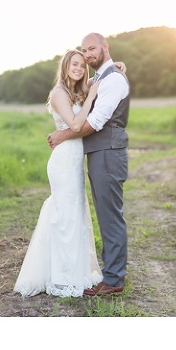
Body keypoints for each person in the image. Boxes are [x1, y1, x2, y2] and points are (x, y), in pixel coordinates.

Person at [46, 33, 130, 297]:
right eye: (84, 51)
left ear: (105, 47)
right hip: (93, 154)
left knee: (110, 216)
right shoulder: (101, 77)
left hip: (107, 152)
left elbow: (95, 121)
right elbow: (88, 88)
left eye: (92, 49)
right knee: (101, 214)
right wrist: (117, 66)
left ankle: (113, 278)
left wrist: (62, 135)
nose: (88, 55)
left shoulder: (112, 79)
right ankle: (101, 272)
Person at [14, 50, 103, 297]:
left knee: (75, 213)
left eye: (82, 65)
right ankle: (63, 276)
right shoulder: (59, 93)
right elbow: (75, 124)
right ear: (65, 66)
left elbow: (96, 79)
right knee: (64, 216)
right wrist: (91, 96)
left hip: (75, 162)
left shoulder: (76, 90)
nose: (79, 69)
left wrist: (115, 66)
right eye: (74, 64)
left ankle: (74, 271)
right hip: (63, 162)